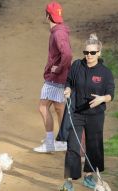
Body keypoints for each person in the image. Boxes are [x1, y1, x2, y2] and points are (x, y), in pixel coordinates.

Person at [60, 34, 115, 191]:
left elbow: (111, 94)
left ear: (99, 53)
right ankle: (69, 181)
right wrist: (68, 89)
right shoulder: (77, 65)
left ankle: (89, 176)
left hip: (95, 115)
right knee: (73, 146)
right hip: (77, 112)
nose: (88, 56)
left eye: (92, 53)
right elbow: (69, 80)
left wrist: (102, 99)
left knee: (94, 146)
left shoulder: (105, 73)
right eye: (86, 52)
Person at [33, 1, 72, 153]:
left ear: (48, 15)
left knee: (43, 107)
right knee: (59, 108)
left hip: (55, 78)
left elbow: (67, 54)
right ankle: (63, 140)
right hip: (62, 78)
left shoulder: (57, 33)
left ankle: (50, 144)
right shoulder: (61, 30)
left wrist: (58, 68)